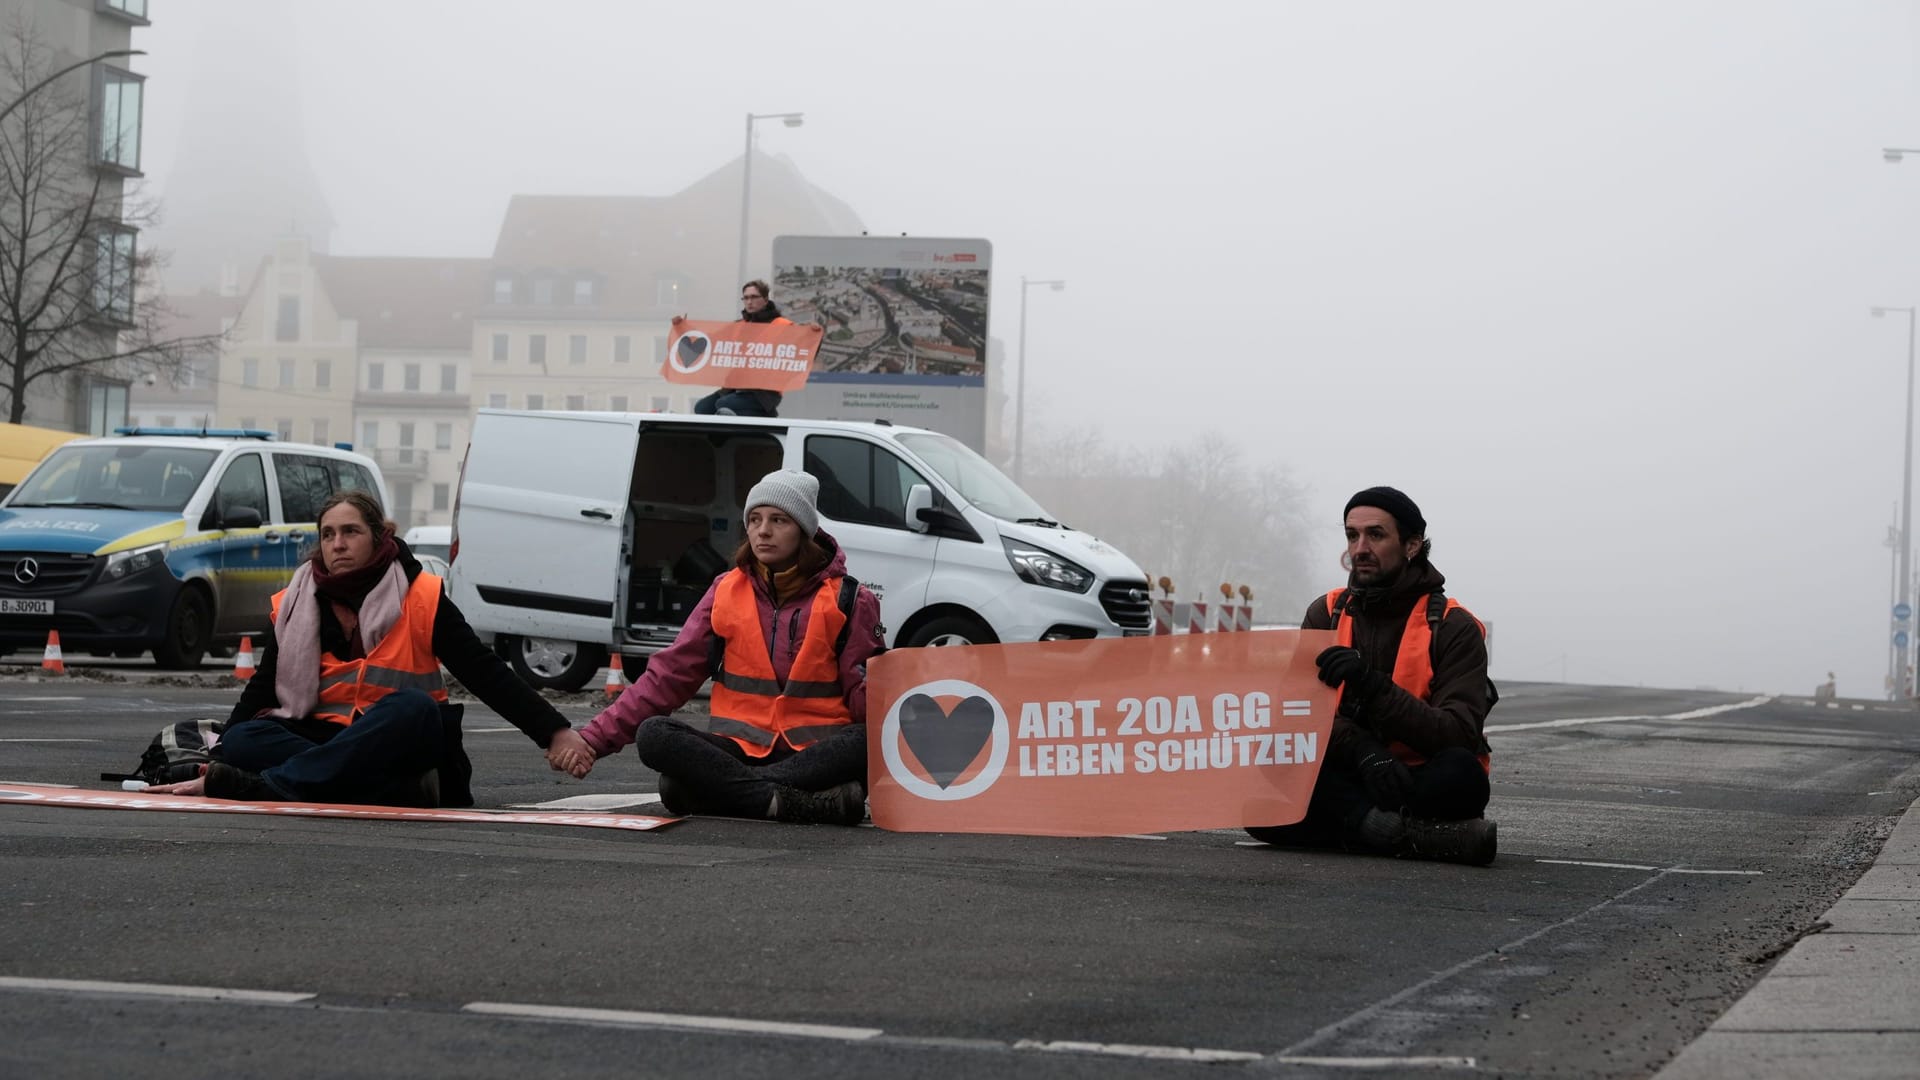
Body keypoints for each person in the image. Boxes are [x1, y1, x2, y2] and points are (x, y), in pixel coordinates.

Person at [147, 489, 595, 804]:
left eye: (350, 532)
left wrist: (554, 732)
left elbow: (485, 672)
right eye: (327, 535)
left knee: (414, 708)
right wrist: (220, 751)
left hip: (402, 738)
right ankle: (390, 789)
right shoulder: (294, 602)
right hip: (331, 739)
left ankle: (268, 785)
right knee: (244, 738)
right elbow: (262, 691)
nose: (337, 544)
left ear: (380, 536)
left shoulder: (422, 595)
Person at [557, 469, 882, 825]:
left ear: (804, 531)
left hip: (815, 755)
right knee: (654, 734)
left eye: (779, 520)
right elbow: (668, 677)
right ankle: (785, 801)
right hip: (738, 751)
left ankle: (740, 794)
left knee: (865, 740)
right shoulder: (726, 590)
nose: (763, 531)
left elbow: (868, 705)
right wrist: (592, 739)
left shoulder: (851, 599)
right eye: (755, 519)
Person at [1247, 486, 1498, 865]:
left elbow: (1458, 734)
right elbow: (1295, 715)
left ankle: (1361, 825)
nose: (1359, 548)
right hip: (1351, 772)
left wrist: (1374, 686)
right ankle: (1415, 836)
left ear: (1412, 545)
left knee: (1463, 774)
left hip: (1419, 777)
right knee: (1265, 784)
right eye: (1352, 535)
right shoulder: (1326, 612)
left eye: (1375, 535)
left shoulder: (1453, 625)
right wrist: (1363, 751)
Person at [691, 279, 794, 418]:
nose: (749, 302)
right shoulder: (739, 326)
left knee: (724, 404)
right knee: (702, 408)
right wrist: (685, 332)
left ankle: (766, 414)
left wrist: (814, 334)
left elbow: (803, 347)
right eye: (745, 298)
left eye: (753, 297)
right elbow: (710, 341)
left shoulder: (782, 325)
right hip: (735, 388)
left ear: (765, 299)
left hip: (763, 393)